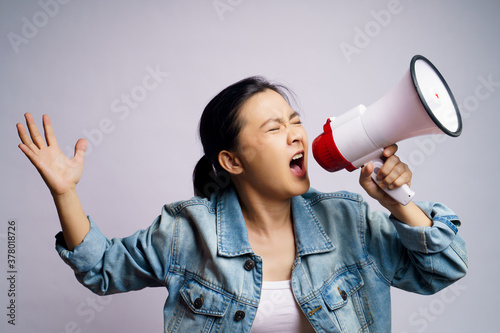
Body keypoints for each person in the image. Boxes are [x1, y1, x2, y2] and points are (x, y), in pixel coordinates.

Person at [16, 76, 467, 332]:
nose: (296, 135)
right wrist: (64, 192)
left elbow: (444, 268)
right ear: (231, 160)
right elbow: (103, 269)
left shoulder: (351, 221)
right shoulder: (185, 232)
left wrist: (399, 204)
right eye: (273, 129)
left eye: (295, 122)